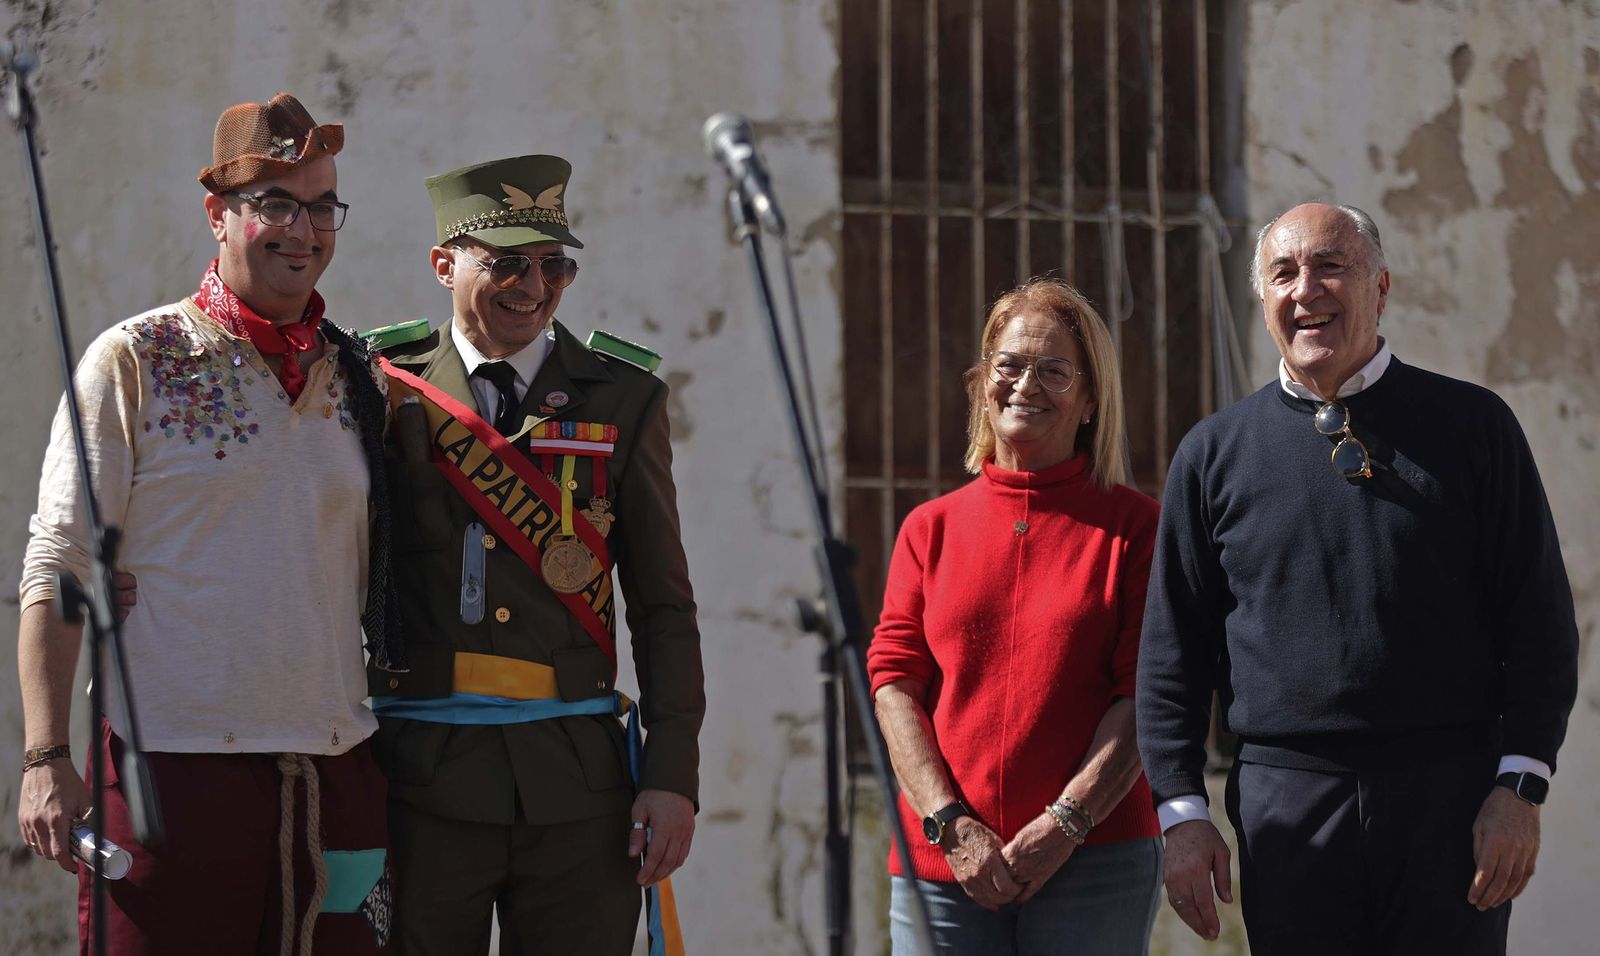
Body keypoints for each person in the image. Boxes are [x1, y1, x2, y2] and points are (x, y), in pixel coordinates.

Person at [1136, 202, 1579, 955]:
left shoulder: (1475, 427)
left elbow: (1538, 623)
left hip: (1451, 801)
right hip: (1286, 806)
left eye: (1330, 266)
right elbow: (1173, 654)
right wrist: (1181, 814)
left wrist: (1520, 787)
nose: (1306, 289)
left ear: (1381, 287)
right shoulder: (1212, 455)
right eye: (1283, 273)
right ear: (1264, 301)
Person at [16, 92, 398, 953]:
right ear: (217, 215)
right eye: (275, 204)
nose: (303, 230)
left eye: (322, 206)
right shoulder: (134, 359)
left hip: (337, 769)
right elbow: (59, 561)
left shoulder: (364, 379)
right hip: (169, 771)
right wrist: (44, 757)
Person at [367, 155, 704, 955]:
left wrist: (671, 775)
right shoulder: (381, 385)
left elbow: (662, 606)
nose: (534, 285)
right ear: (444, 265)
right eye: (507, 263)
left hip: (578, 788)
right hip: (419, 782)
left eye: (555, 265)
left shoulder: (624, 397)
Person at [867, 278, 1164, 955]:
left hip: (1097, 864)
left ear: (1090, 401)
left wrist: (1067, 823)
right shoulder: (928, 529)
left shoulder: (1138, 529)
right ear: (982, 383)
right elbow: (893, 686)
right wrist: (949, 825)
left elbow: (1146, 692)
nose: (1026, 385)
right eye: (1009, 365)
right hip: (944, 867)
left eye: (1055, 371)